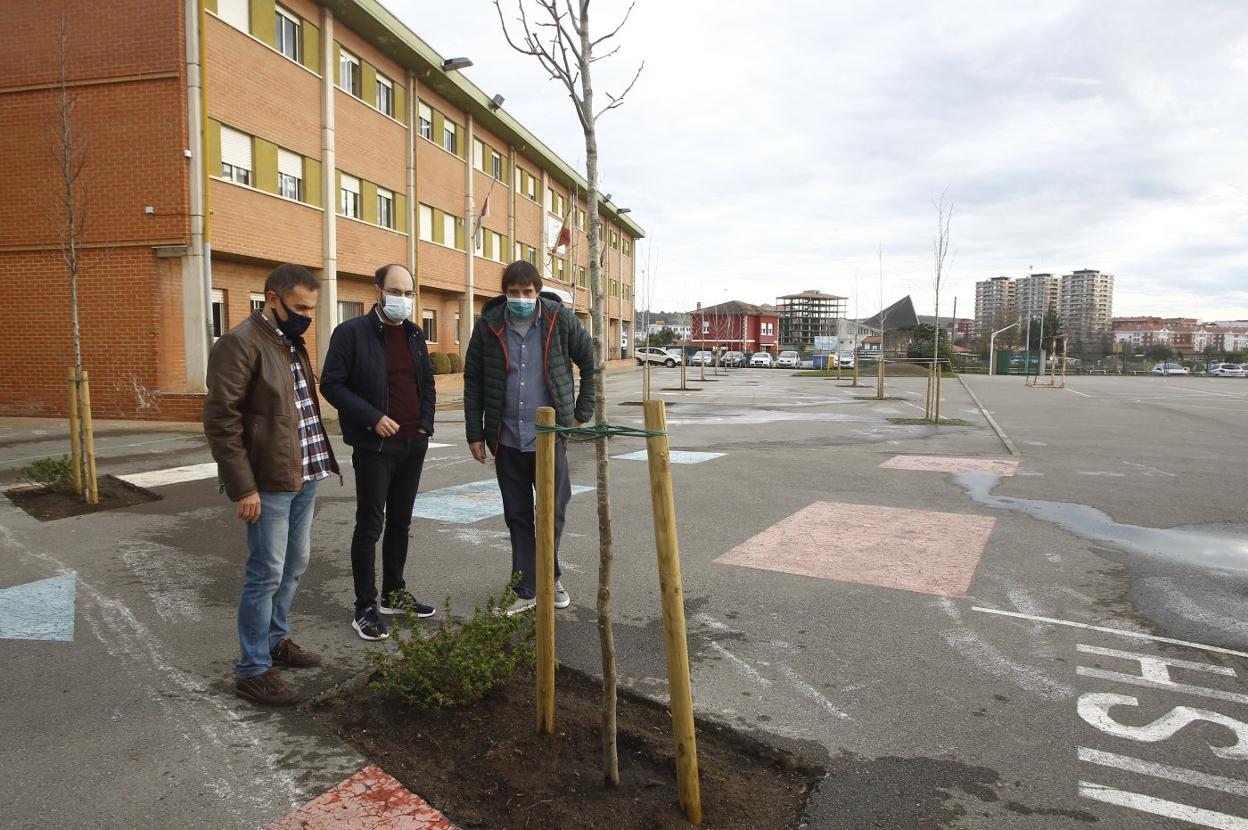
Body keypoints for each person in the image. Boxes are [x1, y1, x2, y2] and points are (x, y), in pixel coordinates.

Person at [204, 263, 338, 706]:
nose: (307, 315)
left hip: (304, 473)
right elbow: (222, 421)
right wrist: (243, 487)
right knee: (265, 573)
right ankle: (252, 669)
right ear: (272, 299)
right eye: (300, 307)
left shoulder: (290, 342)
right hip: (269, 481)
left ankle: (276, 641)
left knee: (294, 565)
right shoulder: (239, 343)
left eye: (312, 308)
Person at [464, 260, 595, 615]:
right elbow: (474, 380)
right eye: (513, 292)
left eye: (527, 292)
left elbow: (589, 358)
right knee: (518, 514)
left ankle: (548, 579)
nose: (520, 298)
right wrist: (475, 432)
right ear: (504, 293)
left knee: (552, 511)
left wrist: (582, 410)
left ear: (537, 292)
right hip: (507, 438)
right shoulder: (489, 325)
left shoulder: (559, 319)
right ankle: (525, 587)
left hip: (550, 438)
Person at [321, 263, 437, 641]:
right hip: (375, 447)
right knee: (370, 526)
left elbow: (427, 386)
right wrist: (372, 418)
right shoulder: (351, 334)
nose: (402, 300)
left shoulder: (415, 335)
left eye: (408, 293)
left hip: (412, 445)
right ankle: (365, 606)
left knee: (401, 522)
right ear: (378, 291)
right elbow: (332, 385)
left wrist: (424, 427)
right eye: (396, 291)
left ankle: (393, 594)